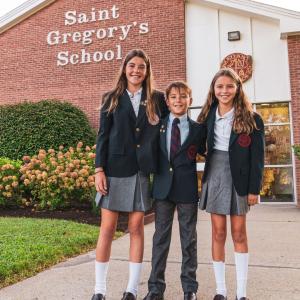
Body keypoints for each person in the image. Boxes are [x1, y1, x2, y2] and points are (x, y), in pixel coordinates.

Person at [92, 49, 168, 300]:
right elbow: (102, 136)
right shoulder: (110, 98)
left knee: (136, 227)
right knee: (108, 228)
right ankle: (99, 289)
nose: (136, 71)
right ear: (125, 68)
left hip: (140, 171)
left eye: (141, 67)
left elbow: (168, 131)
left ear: (147, 71)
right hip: (113, 170)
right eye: (132, 66)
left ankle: (131, 289)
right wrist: (99, 169)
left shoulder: (157, 99)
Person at [198, 68, 265, 300]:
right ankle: (221, 290)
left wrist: (253, 189)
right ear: (213, 90)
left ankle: (241, 292)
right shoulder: (207, 115)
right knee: (218, 233)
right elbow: (196, 143)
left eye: (229, 86)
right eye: (220, 86)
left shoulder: (252, 118)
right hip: (215, 173)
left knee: (239, 234)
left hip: (240, 179)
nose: (224, 90)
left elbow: (258, 158)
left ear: (237, 88)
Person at [143, 81, 206, 300]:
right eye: (173, 97)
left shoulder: (198, 129)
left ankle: (190, 288)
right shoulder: (157, 126)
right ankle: (155, 288)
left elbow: (209, 153)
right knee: (160, 239)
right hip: (162, 189)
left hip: (187, 189)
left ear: (190, 100)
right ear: (167, 102)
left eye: (182, 96)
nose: (178, 101)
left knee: (189, 239)